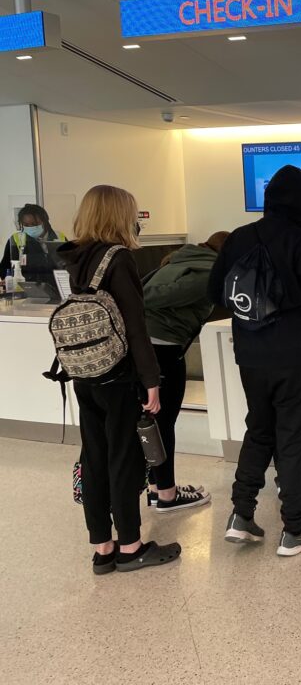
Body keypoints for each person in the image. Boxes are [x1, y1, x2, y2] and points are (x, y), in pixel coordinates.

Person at [209, 165, 301, 557]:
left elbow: (216, 291)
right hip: (296, 355)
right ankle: (295, 527)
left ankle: (241, 515)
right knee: (295, 436)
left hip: (250, 354)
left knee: (259, 430)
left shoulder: (238, 239)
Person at [57, 185, 180, 573]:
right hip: (118, 374)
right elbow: (134, 325)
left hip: (83, 374)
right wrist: (151, 379)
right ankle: (131, 546)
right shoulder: (118, 258)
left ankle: (102, 547)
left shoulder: (73, 256)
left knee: (93, 458)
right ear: (117, 215)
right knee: (124, 460)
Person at [142, 232, 230, 512]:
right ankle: (167, 494)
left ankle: (157, 488)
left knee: (152, 422)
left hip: (148, 346)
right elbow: (149, 296)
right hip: (163, 350)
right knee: (163, 422)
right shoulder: (207, 272)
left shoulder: (181, 259)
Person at [1, 203, 67, 281]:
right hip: (26, 287)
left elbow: (69, 265)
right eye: (26, 224)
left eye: (34, 224)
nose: (30, 227)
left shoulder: (60, 237)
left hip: (55, 287)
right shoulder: (15, 239)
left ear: (45, 222)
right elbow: (4, 269)